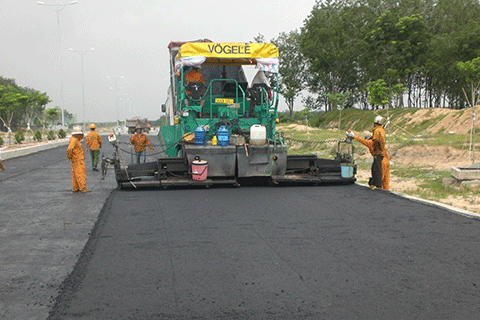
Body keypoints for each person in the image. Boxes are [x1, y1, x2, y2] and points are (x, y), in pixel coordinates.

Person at [347, 115, 389, 190]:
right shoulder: (381, 131)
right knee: (385, 180)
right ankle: (386, 192)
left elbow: (364, 141)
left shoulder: (371, 141)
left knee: (378, 174)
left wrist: (353, 136)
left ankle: (377, 186)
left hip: (381, 160)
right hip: (385, 159)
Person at [67, 126, 90, 193]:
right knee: (80, 173)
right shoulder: (74, 140)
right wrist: (69, 156)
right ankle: (82, 187)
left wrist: (70, 156)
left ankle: (75, 187)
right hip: (77, 159)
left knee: (75, 174)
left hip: (76, 158)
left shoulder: (74, 139)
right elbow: (69, 149)